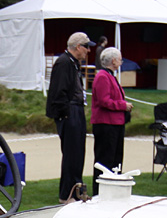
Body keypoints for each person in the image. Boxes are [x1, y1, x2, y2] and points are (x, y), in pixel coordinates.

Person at [46, 32, 94, 202]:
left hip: (76, 110)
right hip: (69, 112)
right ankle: (67, 194)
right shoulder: (64, 63)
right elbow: (59, 92)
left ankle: (77, 189)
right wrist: (65, 113)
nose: (88, 51)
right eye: (86, 47)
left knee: (78, 153)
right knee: (71, 154)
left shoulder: (73, 64)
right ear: (78, 47)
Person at [90, 46, 132, 194]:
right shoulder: (102, 76)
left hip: (116, 123)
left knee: (116, 159)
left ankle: (114, 189)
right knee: (105, 159)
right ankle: (99, 191)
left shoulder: (109, 75)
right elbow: (104, 101)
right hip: (106, 124)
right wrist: (123, 105)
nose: (121, 61)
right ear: (113, 60)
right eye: (119, 58)